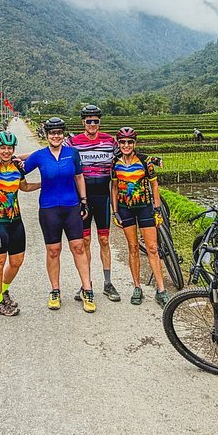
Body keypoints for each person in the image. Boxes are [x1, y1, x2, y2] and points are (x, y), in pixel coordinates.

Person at [22, 116, 96, 312]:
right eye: (52, 133)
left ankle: (87, 289)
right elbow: (20, 172)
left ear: (63, 135)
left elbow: (79, 177)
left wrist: (84, 202)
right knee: (53, 251)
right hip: (49, 209)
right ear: (46, 135)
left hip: (71, 206)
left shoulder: (72, 154)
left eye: (59, 133)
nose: (56, 136)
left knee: (78, 247)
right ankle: (55, 290)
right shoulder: (39, 156)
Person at [0, 130, 39, 317]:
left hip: (16, 221)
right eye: (2, 148)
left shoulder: (18, 168)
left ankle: (3, 291)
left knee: (17, 262)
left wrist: (45, 184)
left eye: (9, 148)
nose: (6, 151)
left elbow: (24, 187)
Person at [109, 126, 170, 307]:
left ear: (135, 143)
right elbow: (113, 187)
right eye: (122, 142)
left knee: (152, 248)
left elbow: (154, 185)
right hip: (125, 209)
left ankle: (161, 289)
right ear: (118, 143)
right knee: (133, 247)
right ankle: (137, 287)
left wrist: (157, 209)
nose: (126, 145)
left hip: (144, 208)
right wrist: (115, 212)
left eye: (129, 142)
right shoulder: (115, 163)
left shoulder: (145, 161)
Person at [66, 104, 120, 301]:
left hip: (103, 197)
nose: (92, 125)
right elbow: (50, 152)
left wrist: (149, 160)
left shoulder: (110, 141)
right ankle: (86, 284)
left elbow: (126, 153)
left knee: (104, 240)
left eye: (96, 121)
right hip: (83, 198)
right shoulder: (72, 142)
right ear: (83, 122)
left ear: (99, 122)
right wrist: (17, 158)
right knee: (85, 241)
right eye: (88, 121)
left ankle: (108, 283)